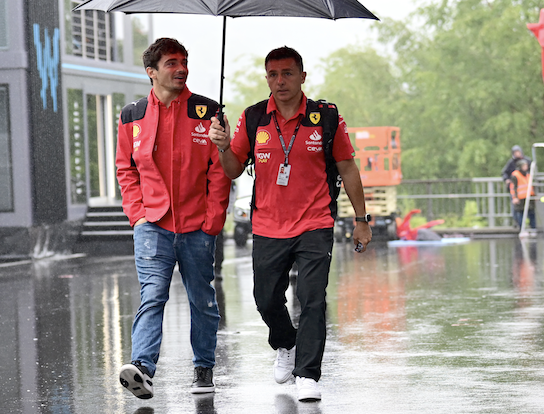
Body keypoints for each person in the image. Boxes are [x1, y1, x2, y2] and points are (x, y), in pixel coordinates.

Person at [208, 46, 372, 402]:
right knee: (265, 300)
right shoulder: (254, 118)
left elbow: (348, 168)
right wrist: (221, 146)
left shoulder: (326, 118)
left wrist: (361, 219)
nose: (279, 81)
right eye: (273, 74)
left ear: (302, 76)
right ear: (266, 78)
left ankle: (308, 374)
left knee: (313, 299)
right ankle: (286, 342)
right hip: (268, 224)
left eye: (287, 73)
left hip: (315, 222)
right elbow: (234, 168)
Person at [115, 38, 232, 400]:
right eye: (171, 63)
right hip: (152, 224)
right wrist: (137, 214)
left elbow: (219, 171)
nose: (180, 68)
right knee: (152, 294)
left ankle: (203, 368)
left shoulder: (208, 112)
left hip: (198, 225)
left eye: (184, 61)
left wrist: (213, 220)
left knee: (202, 298)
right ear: (151, 72)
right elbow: (126, 169)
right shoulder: (131, 115)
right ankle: (143, 370)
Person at [510, 159, 536, 230]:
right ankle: (522, 229)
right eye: (524, 166)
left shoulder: (528, 175)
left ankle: (533, 228)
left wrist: (534, 196)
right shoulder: (515, 175)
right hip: (520, 198)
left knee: (531, 213)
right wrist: (515, 197)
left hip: (529, 197)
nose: (526, 167)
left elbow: (531, 186)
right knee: (520, 214)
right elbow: (513, 188)